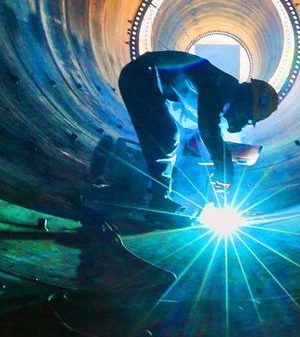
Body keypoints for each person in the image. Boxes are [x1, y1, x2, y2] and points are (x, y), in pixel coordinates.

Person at [118, 50, 279, 222]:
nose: (242, 123)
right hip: (142, 76)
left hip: (149, 81)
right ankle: (157, 204)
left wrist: (225, 158)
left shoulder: (217, 93)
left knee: (168, 136)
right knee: (167, 136)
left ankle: (157, 200)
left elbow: (201, 133)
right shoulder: (220, 87)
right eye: (247, 118)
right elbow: (208, 127)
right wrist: (222, 163)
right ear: (246, 103)